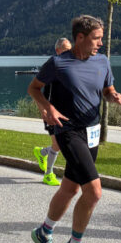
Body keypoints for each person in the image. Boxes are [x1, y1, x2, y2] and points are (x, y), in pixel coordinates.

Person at [27, 15, 121, 243]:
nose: (100, 44)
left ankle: (44, 232)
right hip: (68, 130)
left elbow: (106, 88)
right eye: (96, 38)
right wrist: (48, 108)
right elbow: (34, 88)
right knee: (93, 192)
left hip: (92, 132)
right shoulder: (58, 63)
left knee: (70, 188)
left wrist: (113, 96)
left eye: (101, 38)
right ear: (79, 38)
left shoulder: (102, 61)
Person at [33, 37, 72, 185]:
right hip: (51, 112)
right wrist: (43, 110)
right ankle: (48, 174)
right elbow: (36, 90)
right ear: (58, 51)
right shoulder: (51, 66)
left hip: (64, 112)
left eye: (71, 49)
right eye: (66, 50)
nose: (70, 52)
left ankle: (42, 152)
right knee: (58, 143)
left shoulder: (70, 66)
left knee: (60, 144)